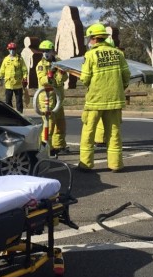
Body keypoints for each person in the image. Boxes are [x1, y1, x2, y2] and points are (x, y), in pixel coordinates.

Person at [78, 23, 130, 172]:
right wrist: (121, 86)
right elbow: (126, 75)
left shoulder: (90, 55)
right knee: (113, 133)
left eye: (89, 38)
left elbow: (85, 78)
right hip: (114, 99)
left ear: (94, 39)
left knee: (88, 133)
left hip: (95, 100)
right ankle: (116, 164)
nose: (89, 41)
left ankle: (86, 164)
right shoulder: (118, 53)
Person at [35, 40, 68, 155]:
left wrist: (61, 73)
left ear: (52, 51)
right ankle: (46, 148)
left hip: (58, 97)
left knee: (60, 123)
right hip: (47, 99)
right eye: (43, 51)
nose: (45, 53)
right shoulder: (41, 65)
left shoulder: (59, 62)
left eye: (47, 51)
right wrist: (49, 76)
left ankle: (59, 145)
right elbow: (42, 81)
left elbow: (62, 80)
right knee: (49, 124)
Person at [0, 41, 28, 113]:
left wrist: (25, 78)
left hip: (18, 84)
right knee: (8, 101)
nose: (12, 51)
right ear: (8, 50)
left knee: (19, 102)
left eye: (13, 49)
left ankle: (20, 115)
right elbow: (2, 71)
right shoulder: (6, 59)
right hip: (8, 84)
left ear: (15, 50)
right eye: (10, 49)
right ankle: (11, 114)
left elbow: (24, 70)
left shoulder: (20, 59)